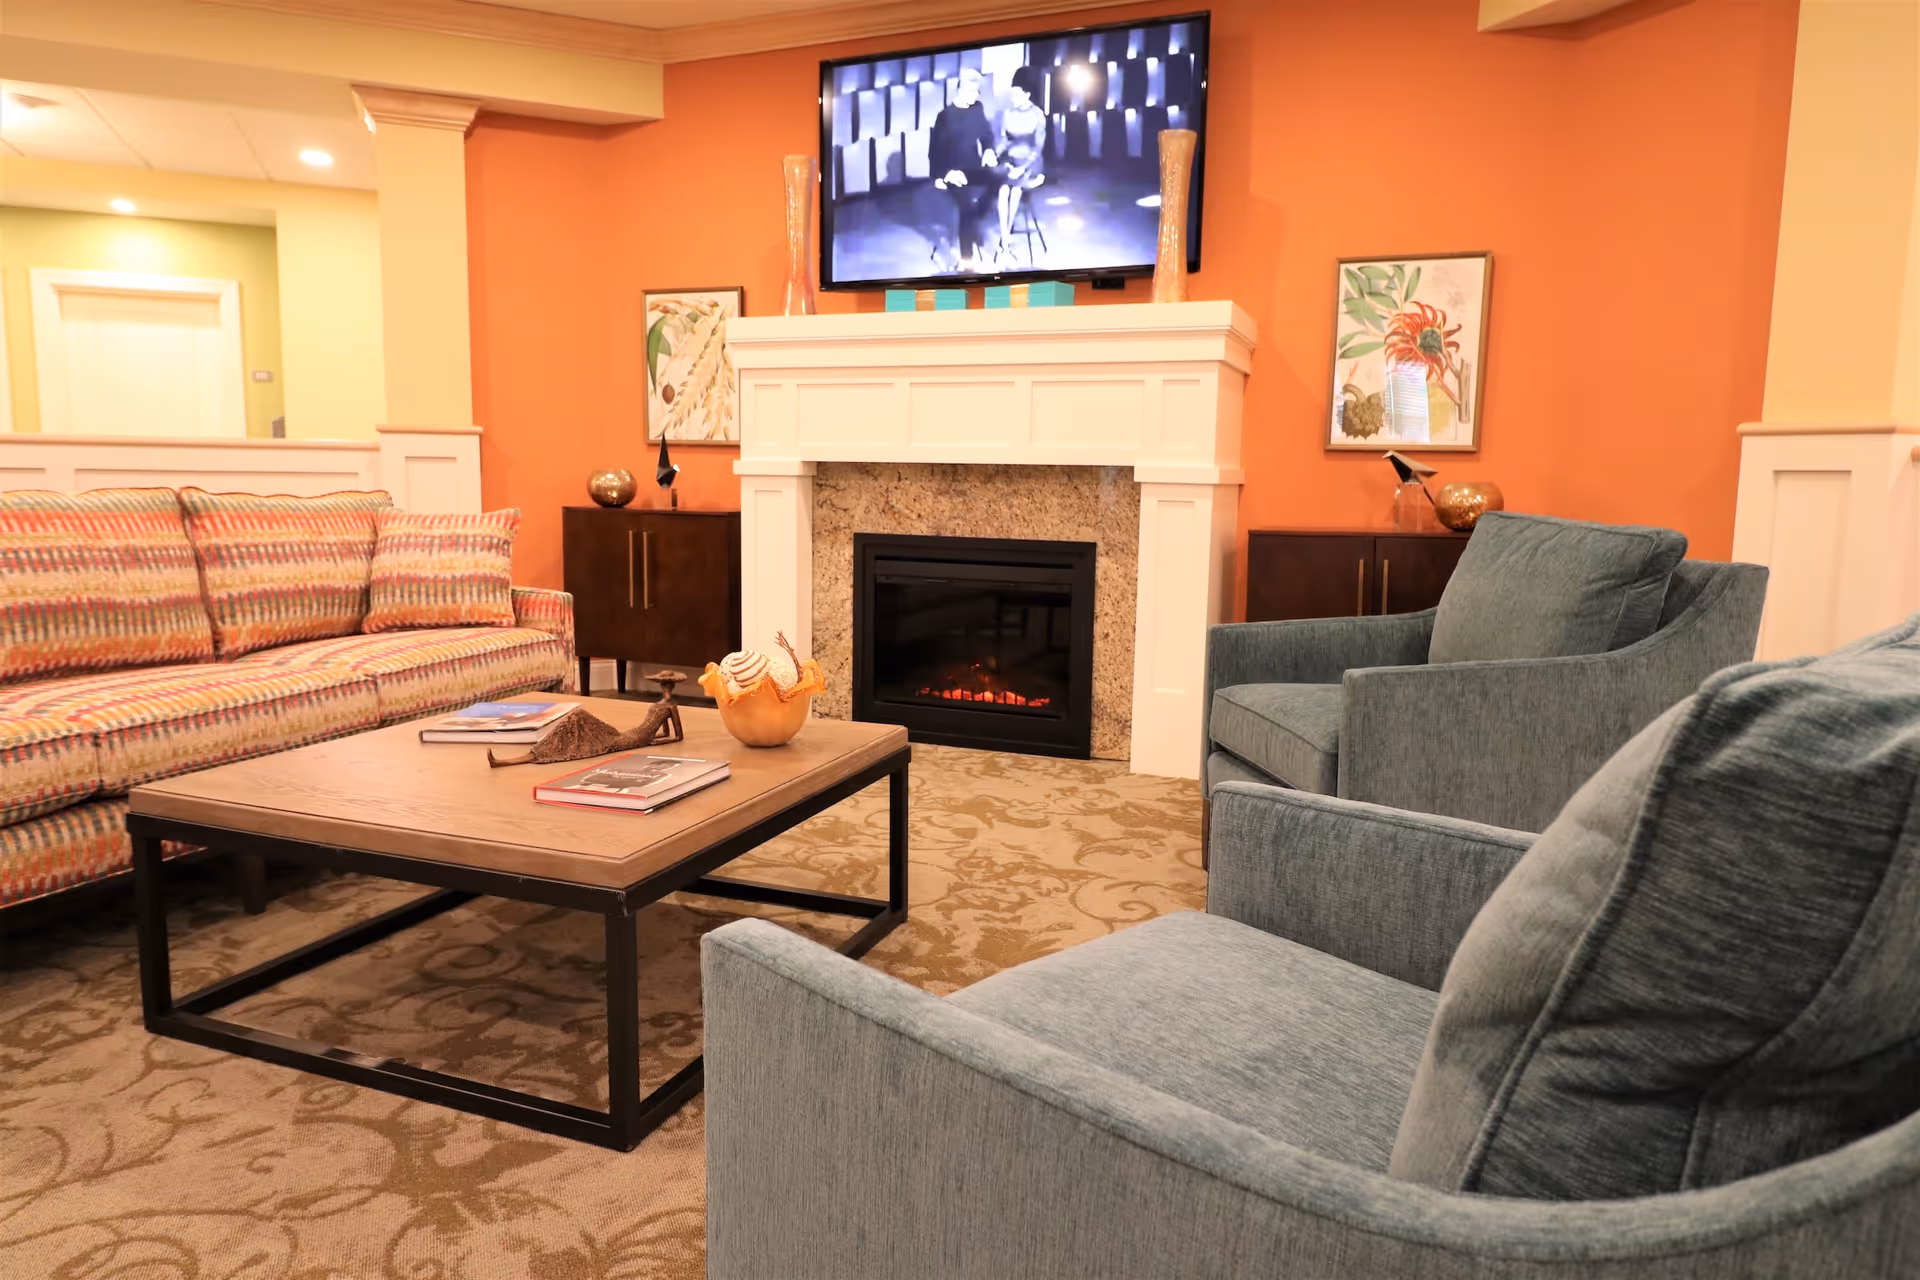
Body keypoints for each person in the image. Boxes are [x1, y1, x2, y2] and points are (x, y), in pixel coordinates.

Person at [928, 66, 997, 272]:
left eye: (977, 92)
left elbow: (987, 136)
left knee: (1000, 178)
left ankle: (974, 222)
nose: (975, 96)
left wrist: (989, 150)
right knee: (966, 207)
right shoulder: (945, 116)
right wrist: (945, 173)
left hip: (973, 167)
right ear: (960, 90)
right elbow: (935, 151)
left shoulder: (978, 108)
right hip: (952, 171)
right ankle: (967, 260)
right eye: (972, 92)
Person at [994, 65, 1048, 266]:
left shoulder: (1037, 115)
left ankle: (1005, 242)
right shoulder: (1008, 113)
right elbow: (1004, 140)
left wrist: (1023, 167)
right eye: (1012, 95)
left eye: (1017, 96)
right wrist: (994, 153)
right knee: (1002, 189)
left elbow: (1038, 148)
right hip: (1011, 159)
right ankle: (1006, 241)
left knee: (1014, 187)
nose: (1013, 100)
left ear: (1027, 94)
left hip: (1031, 163)